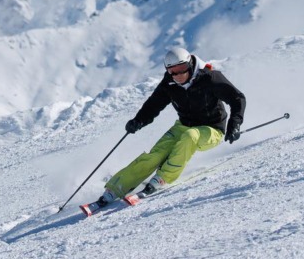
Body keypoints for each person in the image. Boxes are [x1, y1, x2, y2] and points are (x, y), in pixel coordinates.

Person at [91, 47, 246, 209]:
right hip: (183, 126)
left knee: (191, 137)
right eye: (172, 71)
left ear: (190, 65)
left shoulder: (210, 78)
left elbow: (237, 98)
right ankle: (115, 188)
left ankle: (162, 177)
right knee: (156, 155)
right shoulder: (169, 83)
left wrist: (234, 124)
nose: (178, 76)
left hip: (212, 129)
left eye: (181, 70)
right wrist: (138, 121)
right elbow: (153, 104)